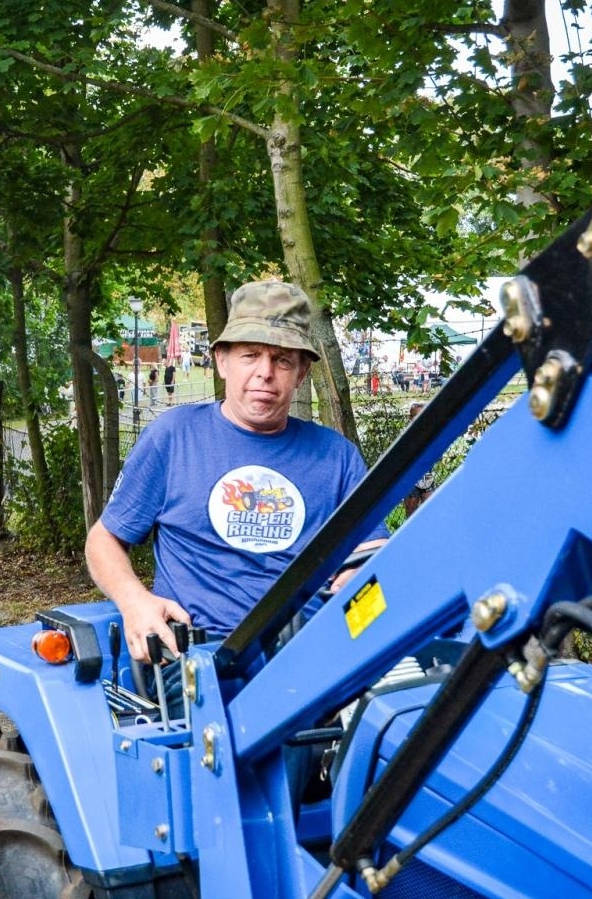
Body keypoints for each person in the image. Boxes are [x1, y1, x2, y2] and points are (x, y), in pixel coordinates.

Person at [86, 280, 386, 663]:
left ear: (301, 373)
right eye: (251, 355)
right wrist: (135, 601)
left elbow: (371, 549)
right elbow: (103, 540)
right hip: (197, 661)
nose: (265, 372)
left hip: (314, 660)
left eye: (282, 359)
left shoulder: (336, 456)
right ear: (222, 360)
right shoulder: (174, 437)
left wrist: (363, 573)